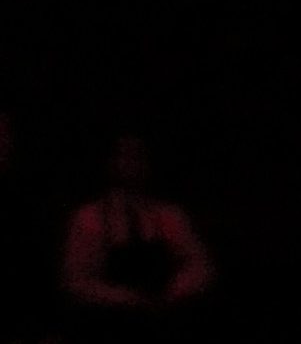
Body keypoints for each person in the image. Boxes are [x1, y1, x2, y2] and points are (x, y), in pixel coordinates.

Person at [58, 134, 216, 315]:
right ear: (109, 162)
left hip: (168, 317)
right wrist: (127, 299)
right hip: (108, 322)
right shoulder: (89, 218)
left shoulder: (170, 216)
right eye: (124, 155)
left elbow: (200, 265)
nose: (131, 162)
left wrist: (176, 291)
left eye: (138, 155)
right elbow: (76, 280)